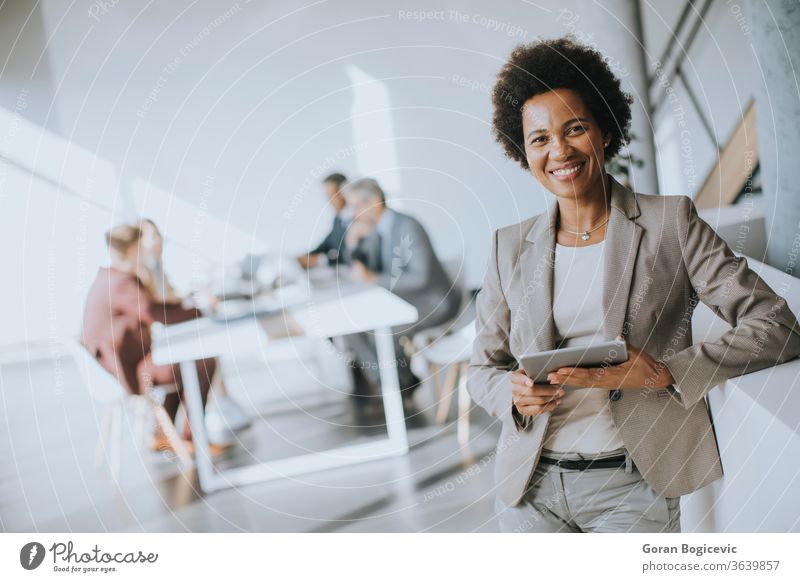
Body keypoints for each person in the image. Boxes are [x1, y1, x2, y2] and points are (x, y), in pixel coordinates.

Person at [468, 37, 800, 533]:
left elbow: (778, 326)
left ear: (603, 132)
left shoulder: (671, 223)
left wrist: (666, 372)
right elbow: (482, 368)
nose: (559, 150)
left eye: (574, 128)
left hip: (633, 484)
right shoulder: (508, 247)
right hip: (530, 488)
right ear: (524, 151)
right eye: (539, 139)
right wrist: (510, 393)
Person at [81, 224, 226, 455]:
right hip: (127, 373)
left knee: (184, 362)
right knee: (202, 363)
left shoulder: (111, 278)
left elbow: (156, 309)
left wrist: (190, 305)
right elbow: (156, 313)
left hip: (117, 367)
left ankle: (164, 435)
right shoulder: (120, 282)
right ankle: (191, 439)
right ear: (133, 248)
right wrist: (201, 309)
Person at [343, 178, 460, 406]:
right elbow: (363, 268)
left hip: (433, 302)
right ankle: (398, 384)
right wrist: (352, 243)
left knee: (379, 332)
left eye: (356, 206)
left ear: (374, 201)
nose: (352, 213)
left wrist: (374, 279)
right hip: (404, 302)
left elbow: (419, 277)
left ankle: (397, 387)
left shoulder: (406, 226)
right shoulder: (378, 230)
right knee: (352, 329)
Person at [298, 173, 350, 268]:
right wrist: (304, 257)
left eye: (331, 195)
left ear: (344, 193)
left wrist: (321, 260)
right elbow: (327, 244)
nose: (329, 201)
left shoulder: (360, 218)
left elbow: (351, 256)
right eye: (327, 196)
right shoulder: (338, 219)